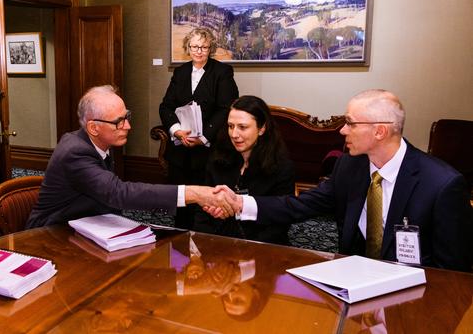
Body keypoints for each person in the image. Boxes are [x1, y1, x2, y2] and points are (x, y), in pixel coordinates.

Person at [208, 89, 473, 271]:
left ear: (379, 131)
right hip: (352, 282)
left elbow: (452, 271)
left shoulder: (442, 185)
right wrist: (241, 204)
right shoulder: (350, 166)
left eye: (350, 123)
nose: (342, 130)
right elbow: (300, 205)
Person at [26, 85, 233, 228]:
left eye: (127, 117)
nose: (128, 126)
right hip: (50, 235)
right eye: (119, 122)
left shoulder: (102, 142)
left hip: (87, 225)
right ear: (93, 127)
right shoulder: (75, 152)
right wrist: (194, 193)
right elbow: (118, 193)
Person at [159, 27, 239, 229]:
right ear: (188, 47)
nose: (199, 51)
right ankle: (179, 243)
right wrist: (176, 130)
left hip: (209, 151)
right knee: (181, 201)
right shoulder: (180, 72)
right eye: (194, 46)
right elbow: (166, 106)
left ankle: (206, 243)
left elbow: (225, 109)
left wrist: (203, 137)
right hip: (180, 149)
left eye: (204, 47)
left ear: (210, 48)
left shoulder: (222, 72)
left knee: (207, 206)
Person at [194, 96, 295, 244]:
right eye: (230, 126)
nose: (234, 134)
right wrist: (205, 244)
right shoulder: (217, 158)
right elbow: (201, 212)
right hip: (218, 246)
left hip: (262, 250)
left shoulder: (281, 167)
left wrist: (244, 255)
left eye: (242, 127)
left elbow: (280, 223)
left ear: (262, 129)